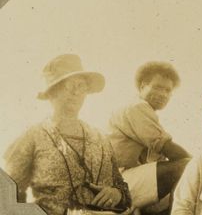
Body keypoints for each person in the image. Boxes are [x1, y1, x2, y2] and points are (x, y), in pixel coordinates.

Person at [4, 54, 131, 215]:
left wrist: (117, 194)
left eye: (81, 86)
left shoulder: (100, 139)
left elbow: (124, 193)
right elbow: (7, 198)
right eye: (69, 86)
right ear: (51, 92)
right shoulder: (31, 137)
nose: (76, 93)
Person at [108, 61, 191, 214]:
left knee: (185, 190)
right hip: (119, 183)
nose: (163, 94)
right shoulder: (137, 107)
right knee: (188, 168)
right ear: (142, 86)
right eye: (157, 87)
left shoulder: (145, 113)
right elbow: (169, 149)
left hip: (130, 182)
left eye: (168, 90)